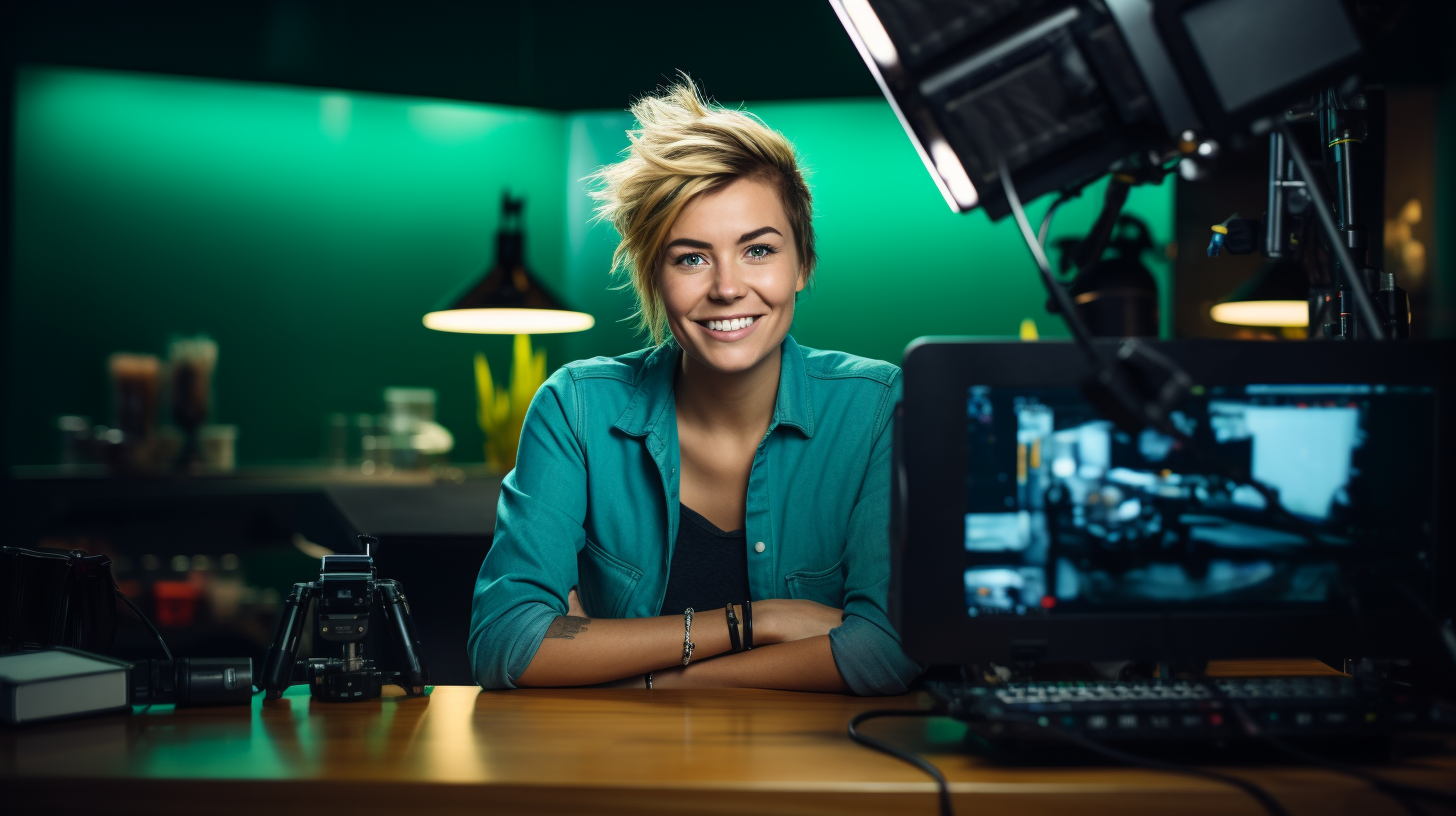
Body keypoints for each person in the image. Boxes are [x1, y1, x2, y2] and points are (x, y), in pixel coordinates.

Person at [468, 78, 919, 695]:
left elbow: (887, 652)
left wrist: (635, 681)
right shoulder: (576, 408)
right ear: (654, 277)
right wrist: (758, 623)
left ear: (803, 264)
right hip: (621, 777)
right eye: (691, 258)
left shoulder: (876, 409)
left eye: (758, 250)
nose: (728, 288)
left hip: (819, 776)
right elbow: (506, 643)